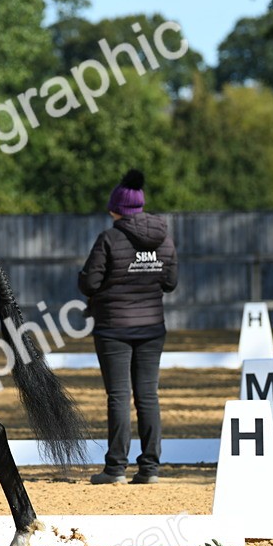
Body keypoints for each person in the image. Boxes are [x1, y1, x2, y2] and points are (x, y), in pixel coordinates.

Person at [78, 170, 178, 485]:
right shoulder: (164, 237)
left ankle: (115, 468)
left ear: (117, 208)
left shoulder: (109, 239)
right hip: (151, 327)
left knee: (119, 395)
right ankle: (150, 468)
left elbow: (89, 282)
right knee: (148, 395)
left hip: (113, 328)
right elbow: (171, 283)